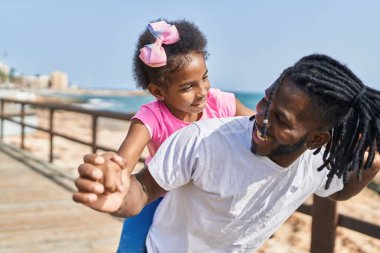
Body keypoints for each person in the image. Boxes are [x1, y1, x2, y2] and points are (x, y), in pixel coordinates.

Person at [73, 54, 380, 252]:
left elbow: (337, 191)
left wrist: (370, 168)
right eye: (266, 100)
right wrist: (118, 194)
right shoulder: (202, 142)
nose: (262, 118)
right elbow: (141, 190)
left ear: (316, 139)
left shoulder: (317, 160)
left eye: (281, 120)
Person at [94, 19, 254, 252]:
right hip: (159, 195)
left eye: (205, 78)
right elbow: (123, 163)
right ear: (158, 91)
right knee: (131, 246)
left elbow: (259, 128)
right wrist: (111, 171)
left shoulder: (222, 103)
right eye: (188, 87)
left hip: (206, 197)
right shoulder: (150, 118)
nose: (202, 92)